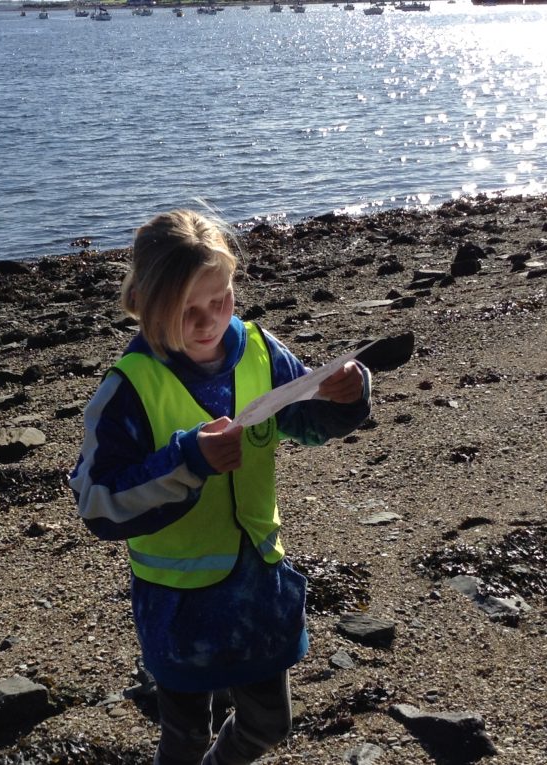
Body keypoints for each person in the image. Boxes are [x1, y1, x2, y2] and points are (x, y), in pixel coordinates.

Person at [69, 209, 372, 765]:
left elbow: (304, 420)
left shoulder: (259, 349)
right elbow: (97, 504)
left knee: (269, 722)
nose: (210, 321)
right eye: (187, 310)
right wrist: (188, 459)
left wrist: (343, 397)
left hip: (258, 589)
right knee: (183, 735)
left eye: (222, 299)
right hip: (179, 607)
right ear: (144, 303)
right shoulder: (129, 389)